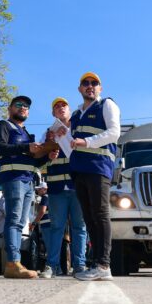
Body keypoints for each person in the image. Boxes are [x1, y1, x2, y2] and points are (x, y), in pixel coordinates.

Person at [67, 72, 121, 281]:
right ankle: (96, 263)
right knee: (89, 218)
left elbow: (114, 133)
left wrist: (86, 142)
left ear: (100, 88)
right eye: (85, 83)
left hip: (98, 168)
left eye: (94, 83)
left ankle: (104, 265)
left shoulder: (107, 105)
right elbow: (71, 141)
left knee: (100, 214)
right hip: (79, 170)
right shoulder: (77, 114)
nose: (90, 86)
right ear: (80, 89)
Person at [0, 95, 47, 279]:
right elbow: (0, 148)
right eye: (18, 105)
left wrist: (48, 156)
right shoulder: (4, 126)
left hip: (28, 181)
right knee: (14, 220)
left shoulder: (25, 133)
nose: (23, 107)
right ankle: (12, 262)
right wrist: (26, 147)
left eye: (26, 106)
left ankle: (15, 263)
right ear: (10, 109)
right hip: (14, 179)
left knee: (20, 222)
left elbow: (34, 164)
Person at [42, 97, 88, 278]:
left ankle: (80, 266)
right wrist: (49, 150)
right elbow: (41, 158)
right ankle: (51, 266)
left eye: (64, 105)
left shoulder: (79, 129)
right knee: (56, 228)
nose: (61, 108)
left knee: (79, 227)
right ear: (53, 114)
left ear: (70, 110)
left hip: (78, 187)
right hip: (57, 189)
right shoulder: (48, 133)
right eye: (57, 107)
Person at [31, 182, 54, 278]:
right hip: (51, 224)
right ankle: (56, 268)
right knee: (52, 247)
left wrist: (34, 223)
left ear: (45, 189)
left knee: (49, 247)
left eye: (40, 189)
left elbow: (42, 211)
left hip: (46, 225)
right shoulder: (52, 197)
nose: (38, 190)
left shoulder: (45, 197)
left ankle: (51, 268)